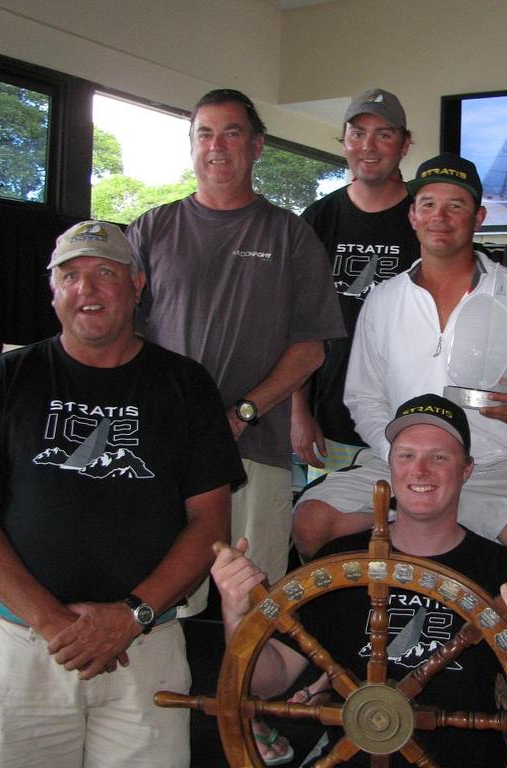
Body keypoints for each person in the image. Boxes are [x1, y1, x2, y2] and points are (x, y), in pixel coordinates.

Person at [0, 220, 246, 767]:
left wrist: (130, 616)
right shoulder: (8, 377)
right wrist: (54, 624)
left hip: (147, 646)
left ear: (137, 285)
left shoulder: (186, 385)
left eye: (104, 273)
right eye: (70, 275)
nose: (86, 289)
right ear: (52, 291)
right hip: (30, 648)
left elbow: (210, 525)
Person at [213, 394, 507, 767]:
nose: (420, 470)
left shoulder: (499, 572)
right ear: (390, 468)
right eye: (406, 456)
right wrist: (235, 613)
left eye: (439, 457)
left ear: (466, 470)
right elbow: (267, 680)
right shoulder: (338, 563)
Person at [292, 153, 507, 559]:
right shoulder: (384, 300)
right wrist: (402, 457)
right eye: (428, 205)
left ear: (478, 218)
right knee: (311, 522)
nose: (439, 217)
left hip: (491, 466)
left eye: (455, 206)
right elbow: (363, 397)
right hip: (396, 466)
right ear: (412, 216)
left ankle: (485, 618)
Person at [127, 89, 345, 601]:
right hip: (162, 452)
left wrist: (241, 413)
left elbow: (310, 348)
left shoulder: (291, 236)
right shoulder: (151, 230)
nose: (217, 146)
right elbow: (123, 335)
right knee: (159, 603)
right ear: (192, 145)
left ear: (258, 145)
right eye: (205, 133)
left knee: (253, 609)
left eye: (231, 132)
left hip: (254, 452)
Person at [293, 88, 420, 480]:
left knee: (411, 538)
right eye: (358, 133)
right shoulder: (317, 219)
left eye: (384, 134)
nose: (369, 146)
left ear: (404, 145)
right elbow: (292, 323)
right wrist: (297, 411)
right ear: (344, 142)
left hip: (415, 420)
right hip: (332, 423)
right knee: (328, 534)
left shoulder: (426, 213)